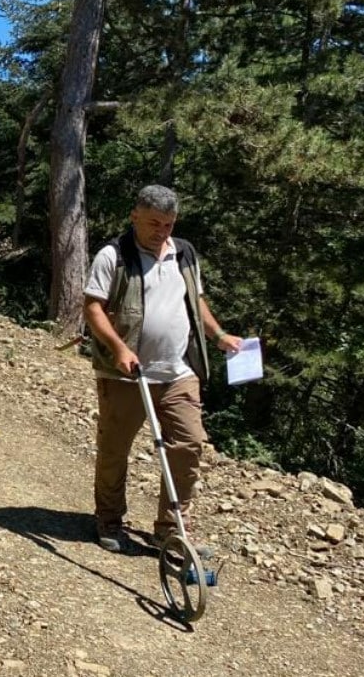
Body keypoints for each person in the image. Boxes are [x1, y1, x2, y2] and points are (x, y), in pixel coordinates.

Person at [83, 184, 242, 553]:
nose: (163, 231)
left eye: (169, 224)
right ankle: (109, 520)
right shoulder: (113, 255)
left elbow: (195, 300)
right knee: (114, 449)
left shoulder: (184, 253)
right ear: (135, 215)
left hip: (178, 371)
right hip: (126, 374)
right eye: (155, 223)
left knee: (189, 444)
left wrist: (218, 335)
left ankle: (171, 530)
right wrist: (119, 348)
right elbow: (92, 308)